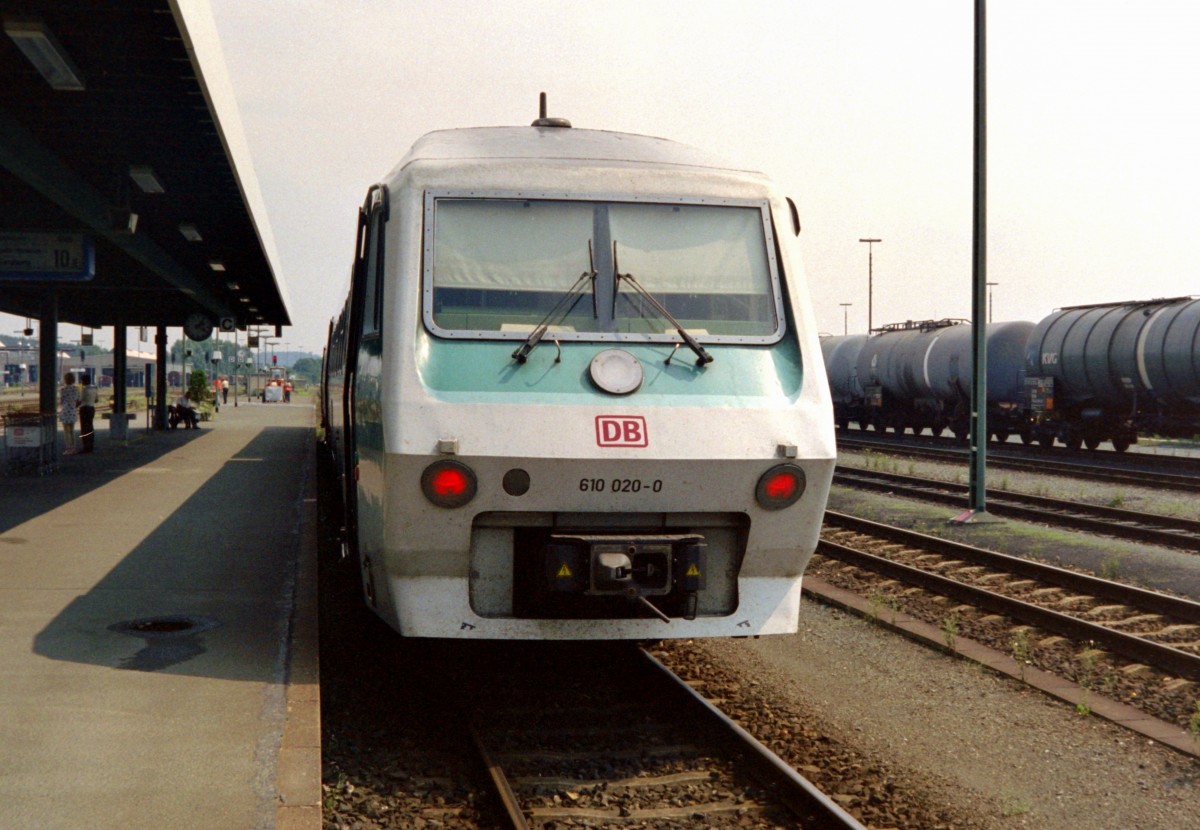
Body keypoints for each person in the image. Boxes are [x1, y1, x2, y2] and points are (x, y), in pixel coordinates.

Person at [59, 372, 80, 454]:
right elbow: (78, 401)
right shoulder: (76, 389)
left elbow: (61, 401)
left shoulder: (63, 390)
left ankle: (68, 448)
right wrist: (74, 406)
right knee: (72, 431)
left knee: (66, 431)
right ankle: (73, 447)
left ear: (65, 380)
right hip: (73, 411)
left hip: (65, 411)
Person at [79, 374, 98, 453]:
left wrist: (75, 405)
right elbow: (96, 400)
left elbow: (80, 399)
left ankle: (85, 447)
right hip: (91, 408)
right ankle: (91, 446)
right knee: (90, 427)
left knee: (84, 429)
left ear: (84, 381)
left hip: (84, 409)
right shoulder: (94, 388)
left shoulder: (84, 389)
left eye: (82, 381)